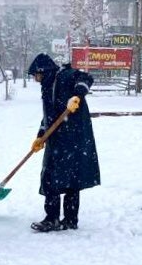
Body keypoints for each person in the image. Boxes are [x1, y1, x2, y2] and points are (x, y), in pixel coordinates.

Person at [26, 53, 100, 231]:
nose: (36, 80)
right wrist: (41, 135)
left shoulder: (64, 76)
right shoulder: (47, 86)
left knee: (65, 179)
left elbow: (85, 78)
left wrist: (78, 95)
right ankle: (59, 218)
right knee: (55, 177)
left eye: (36, 75)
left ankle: (65, 219)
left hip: (73, 137)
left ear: (43, 71)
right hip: (58, 138)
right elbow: (50, 116)